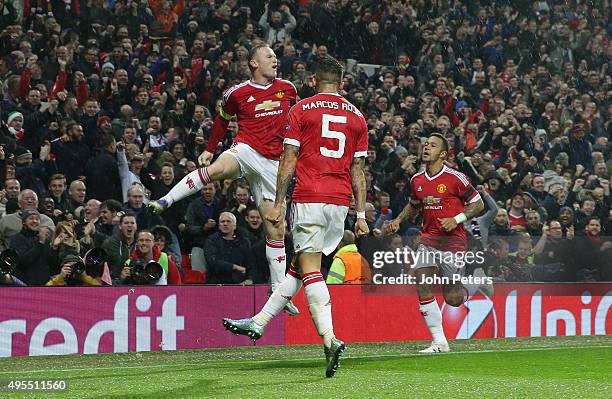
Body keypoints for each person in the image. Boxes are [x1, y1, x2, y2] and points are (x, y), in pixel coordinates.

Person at [223, 56, 369, 378]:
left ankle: (330, 340)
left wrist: (277, 203)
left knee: (310, 269)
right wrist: (360, 213)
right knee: (299, 266)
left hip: (310, 197)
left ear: (314, 82)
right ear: (341, 84)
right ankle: (259, 322)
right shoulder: (358, 117)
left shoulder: (301, 109)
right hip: (340, 203)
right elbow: (358, 171)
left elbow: (288, 159)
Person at [149, 43, 299, 315]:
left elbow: (296, 121)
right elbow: (222, 120)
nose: (275, 60)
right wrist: (209, 148)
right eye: (269, 56)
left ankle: (278, 290)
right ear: (254, 63)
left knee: (276, 230)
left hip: (274, 165)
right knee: (217, 170)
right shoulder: (237, 93)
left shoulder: (288, 88)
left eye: (275, 57)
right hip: (247, 149)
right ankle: (166, 199)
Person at [386, 133, 485, 353]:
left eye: (432, 145)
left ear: (443, 154)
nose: (426, 148)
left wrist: (456, 219)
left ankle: (474, 284)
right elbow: (413, 205)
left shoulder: (456, 178)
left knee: (453, 299)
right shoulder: (417, 180)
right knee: (422, 282)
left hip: (453, 242)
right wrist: (399, 220)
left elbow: (478, 204)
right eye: (425, 144)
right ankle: (439, 342)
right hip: (429, 239)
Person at [117, 230, 182, 285]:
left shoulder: (165, 259)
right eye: (141, 240)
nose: (144, 243)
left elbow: (177, 283)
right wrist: (122, 278)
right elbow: (124, 290)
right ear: (137, 243)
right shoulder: (129, 262)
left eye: (148, 240)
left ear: (153, 243)